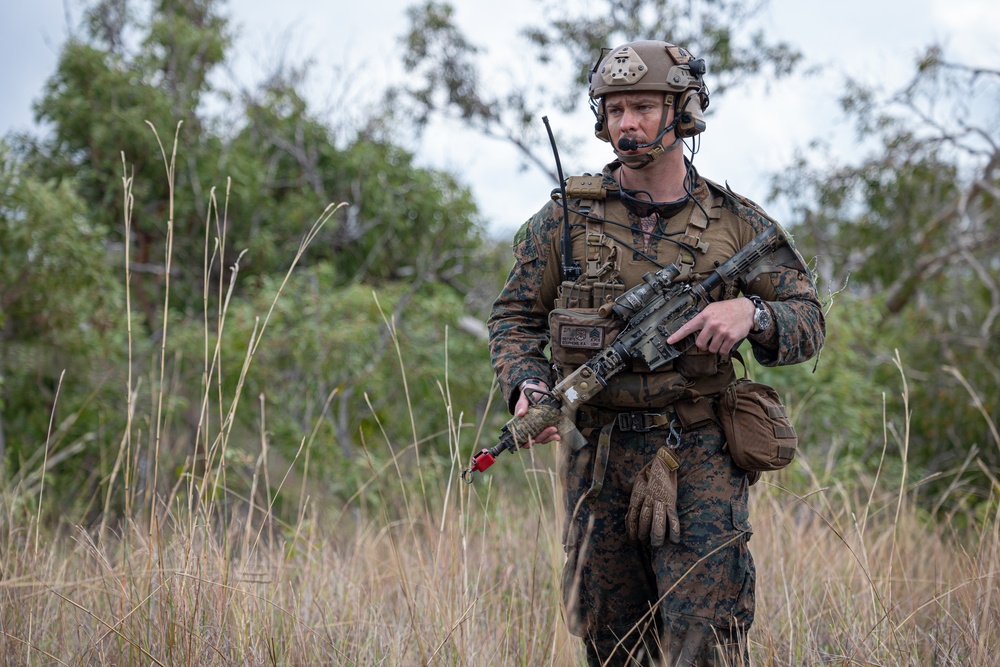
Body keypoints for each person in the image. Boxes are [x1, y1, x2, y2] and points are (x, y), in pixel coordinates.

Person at [486, 40, 826, 666]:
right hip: (597, 454)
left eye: (643, 106)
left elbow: (808, 321)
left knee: (705, 640)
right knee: (610, 642)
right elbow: (514, 317)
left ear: (683, 109)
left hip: (698, 449)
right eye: (614, 110)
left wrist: (751, 314)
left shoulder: (736, 221)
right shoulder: (565, 218)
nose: (626, 124)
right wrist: (527, 388)